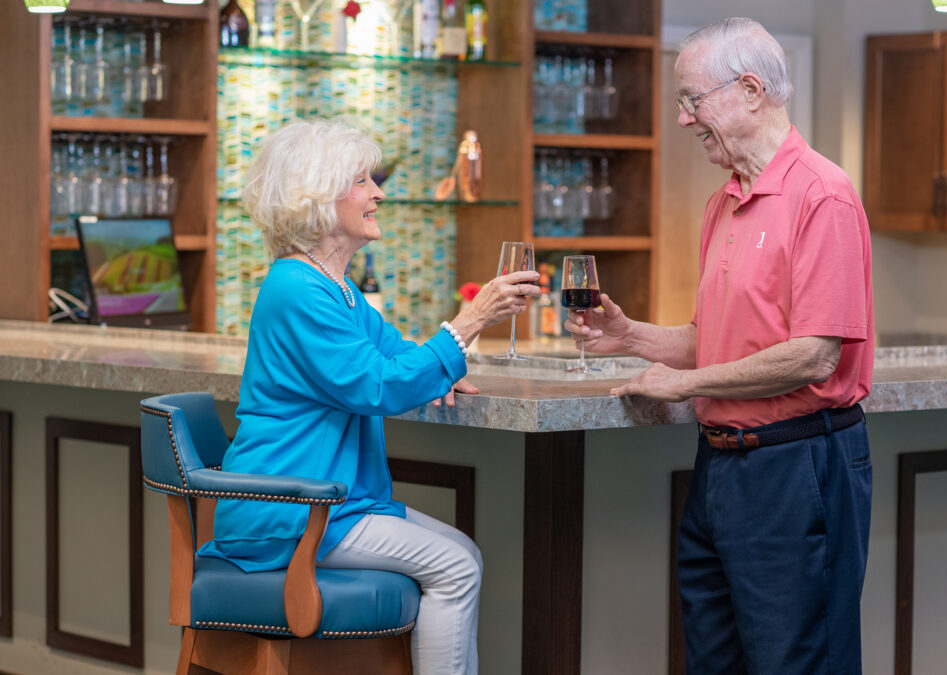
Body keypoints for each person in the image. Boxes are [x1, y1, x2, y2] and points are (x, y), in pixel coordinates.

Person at [565, 18, 874, 675]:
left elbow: (813, 353)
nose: (684, 119)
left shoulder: (823, 196)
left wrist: (680, 385)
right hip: (719, 472)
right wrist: (630, 336)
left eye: (692, 100)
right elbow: (719, 340)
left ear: (752, 90)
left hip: (797, 467)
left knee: (797, 663)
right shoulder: (724, 204)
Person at [199, 119, 540, 675]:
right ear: (317, 195)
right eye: (361, 181)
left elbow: (392, 354)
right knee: (456, 567)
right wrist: (471, 321)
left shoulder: (334, 287)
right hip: (290, 508)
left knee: (465, 556)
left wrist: (440, 369)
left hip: (329, 500)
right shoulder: (296, 290)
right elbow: (377, 386)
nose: (378, 193)